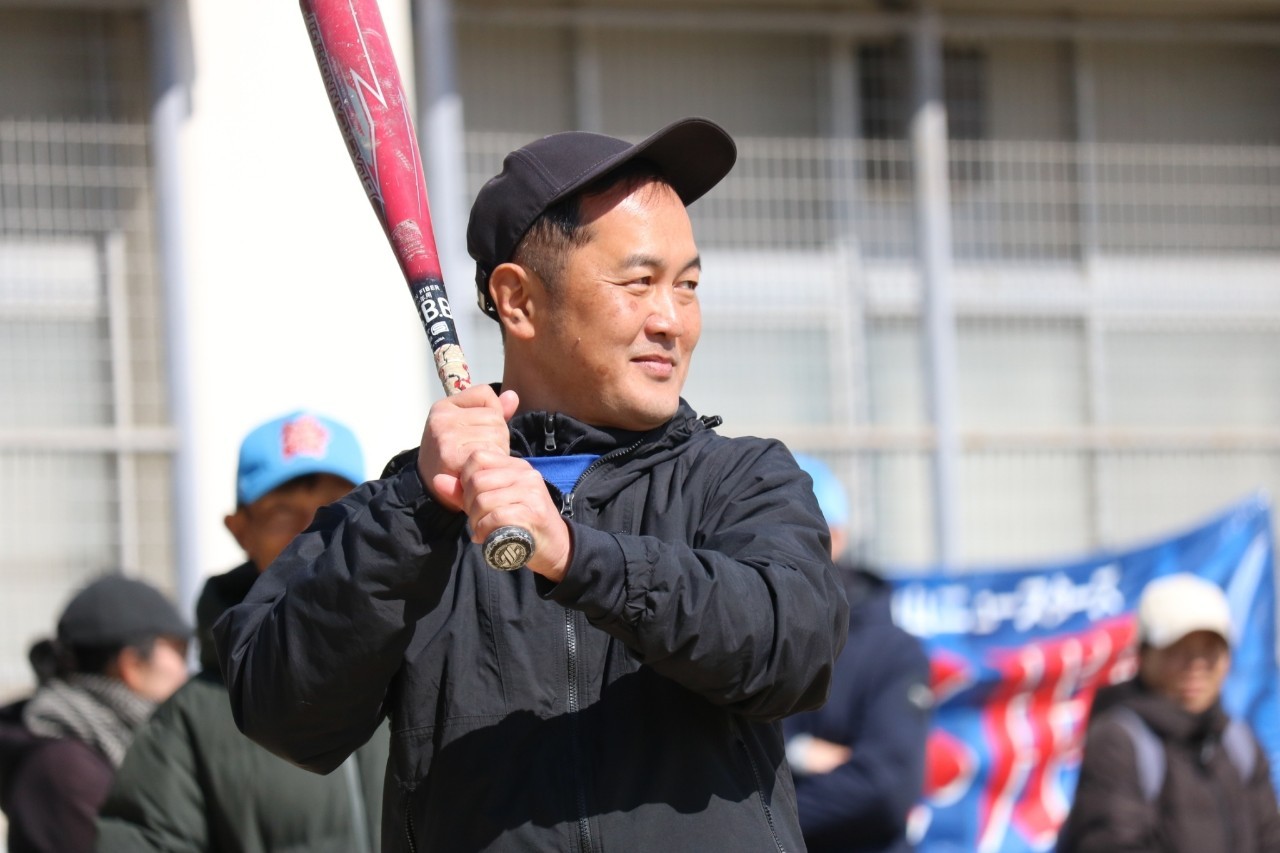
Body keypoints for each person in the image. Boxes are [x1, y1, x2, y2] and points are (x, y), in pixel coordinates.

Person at [213, 117, 849, 852]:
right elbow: (283, 715)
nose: (672, 321)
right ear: (517, 300)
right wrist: (416, 510)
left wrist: (577, 557)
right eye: (639, 283)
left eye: (688, 286)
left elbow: (793, 652)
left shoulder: (741, 479)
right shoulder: (411, 509)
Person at [96, 410, 389, 853]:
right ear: (241, 530)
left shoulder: (428, 665)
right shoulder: (191, 721)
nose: (313, 531)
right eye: (281, 513)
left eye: (337, 509)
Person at [1056, 572, 1280, 853]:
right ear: (1144, 655)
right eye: (1178, 650)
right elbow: (1111, 843)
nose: (1196, 665)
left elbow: (1270, 839)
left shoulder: (1237, 741)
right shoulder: (1119, 740)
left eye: (1210, 650)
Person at [783, 453, 932, 853]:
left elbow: (885, 789)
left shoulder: (891, 650)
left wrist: (761, 820)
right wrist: (803, 754)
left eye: (797, 530)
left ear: (838, 535)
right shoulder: (730, 639)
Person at [0, 574, 191, 853]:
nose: (186, 673)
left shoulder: (107, 743)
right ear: (132, 665)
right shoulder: (66, 769)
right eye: (180, 654)